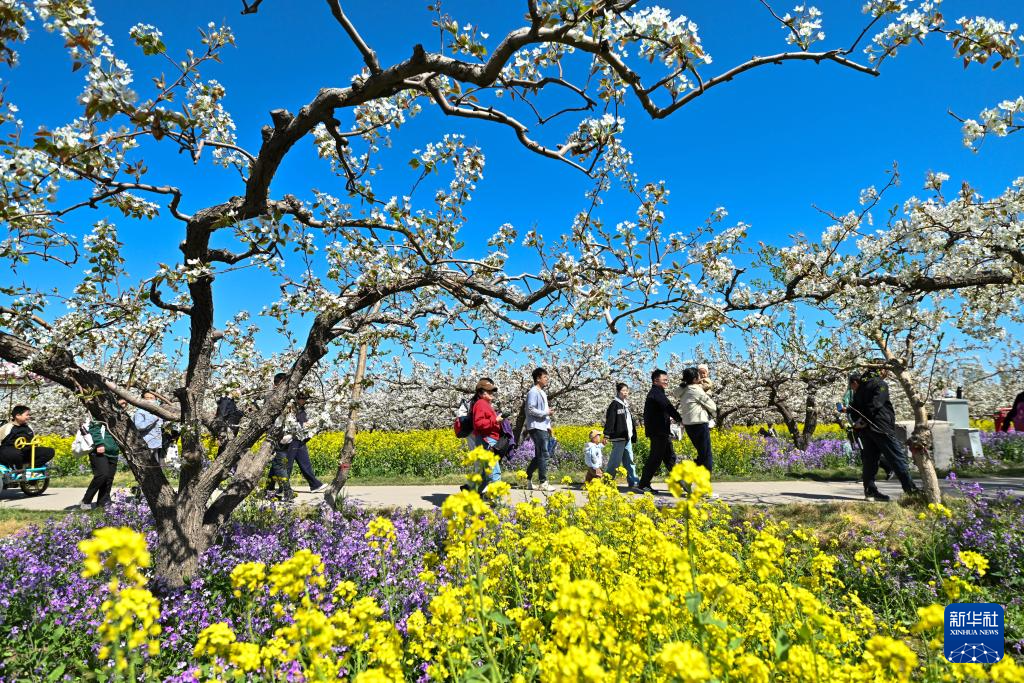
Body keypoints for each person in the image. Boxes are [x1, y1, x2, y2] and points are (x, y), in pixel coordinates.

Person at [847, 368, 918, 502]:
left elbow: (853, 409)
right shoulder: (880, 384)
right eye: (886, 369)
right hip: (880, 427)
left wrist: (859, 422)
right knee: (897, 457)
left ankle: (870, 491)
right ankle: (911, 490)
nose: (888, 372)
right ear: (880, 370)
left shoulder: (860, 387)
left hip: (866, 430)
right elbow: (876, 404)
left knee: (870, 461)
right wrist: (864, 420)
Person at [638, 369, 683, 494]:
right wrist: (680, 419)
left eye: (667, 380)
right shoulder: (656, 393)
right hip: (658, 431)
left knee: (669, 457)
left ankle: (681, 482)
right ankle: (643, 484)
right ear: (655, 381)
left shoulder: (658, 392)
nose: (667, 382)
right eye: (664, 380)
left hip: (661, 431)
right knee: (655, 458)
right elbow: (668, 407)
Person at [840, 374, 892, 479]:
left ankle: (876, 473)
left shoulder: (864, 393)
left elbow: (865, 408)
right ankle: (871, 475)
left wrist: (854, 415)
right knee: (865, 451)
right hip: (856, 426)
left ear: (855, 383)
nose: (850, 387)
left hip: (863, 425)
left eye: (851, 384)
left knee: (867, 452)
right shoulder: (852, 394)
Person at [81, 403, 125, 509]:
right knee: (102, 475)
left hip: (113, 452)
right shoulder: (102, 413)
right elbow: (94, 428)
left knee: (109, 478)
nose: (123, 405)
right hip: (99, 451)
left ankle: (103, 502)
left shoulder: (123, 416)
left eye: (125, 403)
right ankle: (86, 500)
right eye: (121, 402)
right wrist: (99, 443)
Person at [286, 392, 328, 493]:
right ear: (297, 399)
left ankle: (315, 485)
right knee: (288, 465)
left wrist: (310, 425)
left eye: (304, 399)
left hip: (300, 439)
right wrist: (303, 424)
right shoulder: (290, 408)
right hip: (291, 440)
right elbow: (289, 422)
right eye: (301, 398)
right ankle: (281, 488)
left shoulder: (302, 409)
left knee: (305, 463)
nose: (303, 401)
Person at [678, 367, 716, 475]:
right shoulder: (696, 390)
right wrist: (713, 415)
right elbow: (712, 406)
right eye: (698, 375)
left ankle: (691, 474)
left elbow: (675, 392)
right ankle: (704, 481)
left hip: (688, 425)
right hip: (700, 424)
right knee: (706, 455)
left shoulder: (682, 389)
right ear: (695, 379)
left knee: (701, 453)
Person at [603, 383, 639, 488]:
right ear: (618, 392)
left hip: (627, 437)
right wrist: (606, 434)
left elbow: (629, 422)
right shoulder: (615, 404)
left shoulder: (625, 405)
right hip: (619, 437)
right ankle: (607, 481)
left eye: (627, 390)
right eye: (623, 390)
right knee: (615, 461)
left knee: (629, 460)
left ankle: (633, 481)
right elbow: (610, 420)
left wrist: (633, 435)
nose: (625, 393)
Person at [469, 378, 503, 492]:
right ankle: (496, 499)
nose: (491, 393)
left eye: (492, 391)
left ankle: (475, 495)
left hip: (487, 439)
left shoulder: (485, 404)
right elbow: (478, 423)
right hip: (486, 440)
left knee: (485, 472)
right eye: (488, 391)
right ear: (480, 393)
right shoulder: (480, 404)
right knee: (494, 471)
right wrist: (495, 420)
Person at [525, 367, 554, 492]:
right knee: (543, 454)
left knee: (540, 455)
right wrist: (546, 413)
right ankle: (543, 482)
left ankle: (526, 478)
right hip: (536, 426)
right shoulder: (533, 392)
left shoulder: (542, 392)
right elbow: (531, 409)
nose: (547, 379)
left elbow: (545, 411)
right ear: (538, 378)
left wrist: (548, 426)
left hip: (542, 426)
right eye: (545, 377)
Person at [0, 405, 55, 470]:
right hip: (10, 452)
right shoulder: (7, 427)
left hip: (26, 451)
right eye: (27, 415)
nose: (29, 417)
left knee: (49, 451)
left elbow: (33, 440)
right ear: (18, 416)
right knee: (15, 454)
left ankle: (31, 468)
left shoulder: (29, 427)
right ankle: (19, 470)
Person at [133, 390, 164, 466]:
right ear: (143, 399)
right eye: (147, 398)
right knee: (150, 466)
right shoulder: (140, 412)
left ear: (156, 399)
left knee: (157, 466)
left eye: (151, 398)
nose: (149, 400)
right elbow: (139, 426)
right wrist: (154, 418)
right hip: (147, 444)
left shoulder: (158, 411)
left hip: (157, 443)